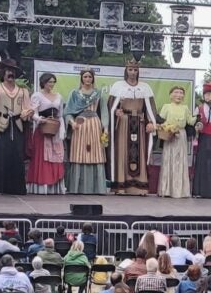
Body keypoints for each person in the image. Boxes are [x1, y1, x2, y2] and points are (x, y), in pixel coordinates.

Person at [107, 63, 157, 194]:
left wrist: (151, 122)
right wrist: (116, 112)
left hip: (139, 122)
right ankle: (121, 186)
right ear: (126, 71)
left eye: (135, 70)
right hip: (123, 122)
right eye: (130, 69)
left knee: (139, 152)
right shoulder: (118, 86)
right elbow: (111, 106)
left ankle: (139, 187)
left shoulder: (145, 87)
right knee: (122, 151)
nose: (133, 72)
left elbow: (150, 109)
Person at [0, 60, 30, 195]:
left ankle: (17, 188)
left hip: (17, 125)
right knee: (1, 155)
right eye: (8, 71)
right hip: (2, 125)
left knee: (17, 155)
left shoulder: (23, 91)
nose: (10, 73)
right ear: (3, 73)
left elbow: (27, 108)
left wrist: (26, 113)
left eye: (13, 71)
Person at [64, 69, 109, 195]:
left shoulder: (98, 93)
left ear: (93, 78)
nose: (88, 79)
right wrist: (72, 123)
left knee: (95, 153)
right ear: (81, 78)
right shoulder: (75, 94)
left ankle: (97, 188)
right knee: (79, 154)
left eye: (90, 76)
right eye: (85, 76)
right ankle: (76, 187)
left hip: (95, 124)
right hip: (80, 125)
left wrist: (105, 128)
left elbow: (104, 112)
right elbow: (67, 112)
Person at [25, 72, 66, 195]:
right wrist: (40, 120)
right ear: (43, 82)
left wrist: (62, 129)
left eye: (53, 82)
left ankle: (55, 185)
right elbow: (33, 112)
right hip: (42, 130)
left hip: (55, 129)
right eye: (49, 82)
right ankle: (42, 185)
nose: (51, 84)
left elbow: (60, 114)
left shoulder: (58, 96)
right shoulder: (37, 96)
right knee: (42, 157)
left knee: (56, 156)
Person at [155, 83, 196, 199]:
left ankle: (180, 191)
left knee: (180, 161)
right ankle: (166, 189)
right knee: (169, 160)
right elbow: (161, 120)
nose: (179, 95)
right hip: (169, 135)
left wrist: (198, 116)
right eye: (176, 92)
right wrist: (166, 127)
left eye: (181, 93)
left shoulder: (185, 108)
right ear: (171, 95)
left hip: (181, 135)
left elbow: (190, 121)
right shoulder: (166, 106)